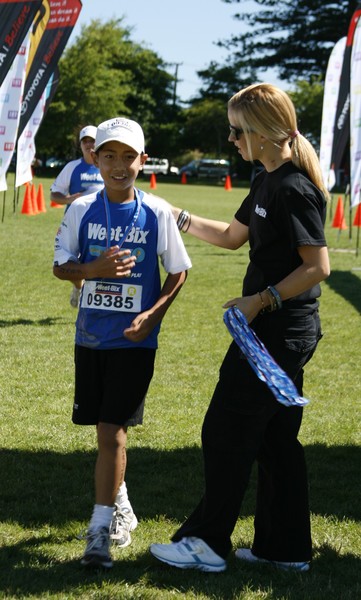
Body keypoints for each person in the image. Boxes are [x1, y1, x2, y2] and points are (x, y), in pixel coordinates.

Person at [150, 83, 330, 573]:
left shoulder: (294, 188)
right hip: (270, 332)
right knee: (274, 441)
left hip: (278, 335)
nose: (231, 139)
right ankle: (285, 549)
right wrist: (176, 215)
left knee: (226, 431)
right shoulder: (264, 179)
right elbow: (232, 238)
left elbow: (317, 267)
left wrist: (261, 299)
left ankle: (206, 543)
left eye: (237, 131)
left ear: (266, 133)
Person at [53, 117, 192, 568]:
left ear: (142, 161)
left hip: (134, 344)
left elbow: (178, 269)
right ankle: (120, 500)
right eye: (109, 155)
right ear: (95, 158)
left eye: (128, 156)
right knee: (105, 432)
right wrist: (92, 271)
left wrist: (153, 315)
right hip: (91, 338)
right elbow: (60, 266)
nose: (118, 165)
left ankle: (99, 533)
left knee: (113, 432)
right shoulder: (80, 209)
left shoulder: (156, 212)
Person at [51, 125, 104, 308]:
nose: (89, 145)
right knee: (72, 264)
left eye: (92, 141)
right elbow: (54, 194)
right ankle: (78, 287)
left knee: (98, 262)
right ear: (80, 145)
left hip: (102, 224)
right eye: (85, 141)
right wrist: (69, 199)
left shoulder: (106, 166)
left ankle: (94, 302)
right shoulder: (72, 167)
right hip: (75, 225)